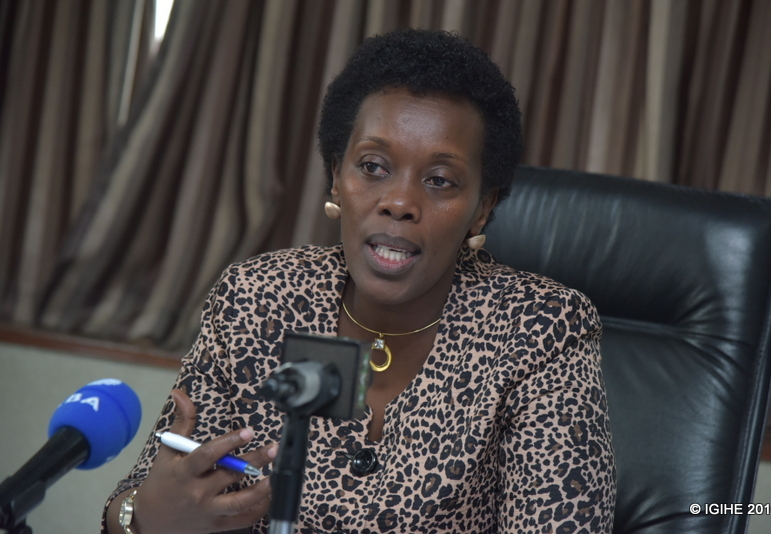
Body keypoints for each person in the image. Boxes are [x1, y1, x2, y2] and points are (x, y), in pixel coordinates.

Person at [104, 28, 615, 534]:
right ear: (336, 177)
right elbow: (144, 492)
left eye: (439, 180)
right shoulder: (256, 298)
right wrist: (141, 520)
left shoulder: (541, 330)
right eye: (373, 166)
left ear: (482, 208)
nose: (399, 202)